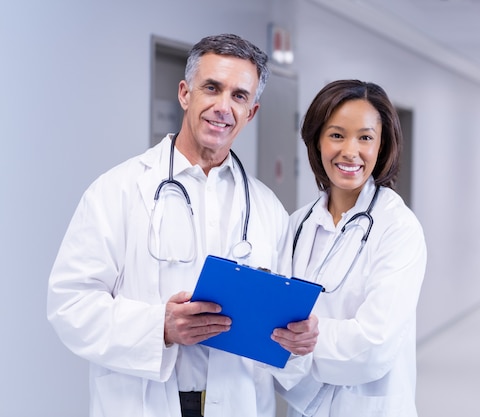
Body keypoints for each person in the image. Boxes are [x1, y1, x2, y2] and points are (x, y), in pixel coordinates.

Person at [47, 33, 318, 417]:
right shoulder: (118, 190)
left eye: (239, 96)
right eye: (212, 88)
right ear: (185, 93)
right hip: (142, 402)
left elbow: (281, 325)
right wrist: (160, 327)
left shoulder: (266, 208)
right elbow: (69, 305)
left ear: (252, 112)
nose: (223, 107)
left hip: (237, 403)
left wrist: (298, 339)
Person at [279, 79, 427, 416]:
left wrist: (303, 341)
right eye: (336, 135)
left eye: (365, 137)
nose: (350, 151)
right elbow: (269, 330)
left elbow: (374, 346)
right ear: (316, 141)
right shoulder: (297, 226)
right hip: (303, 408)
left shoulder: (398, 228)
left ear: (381, 145)